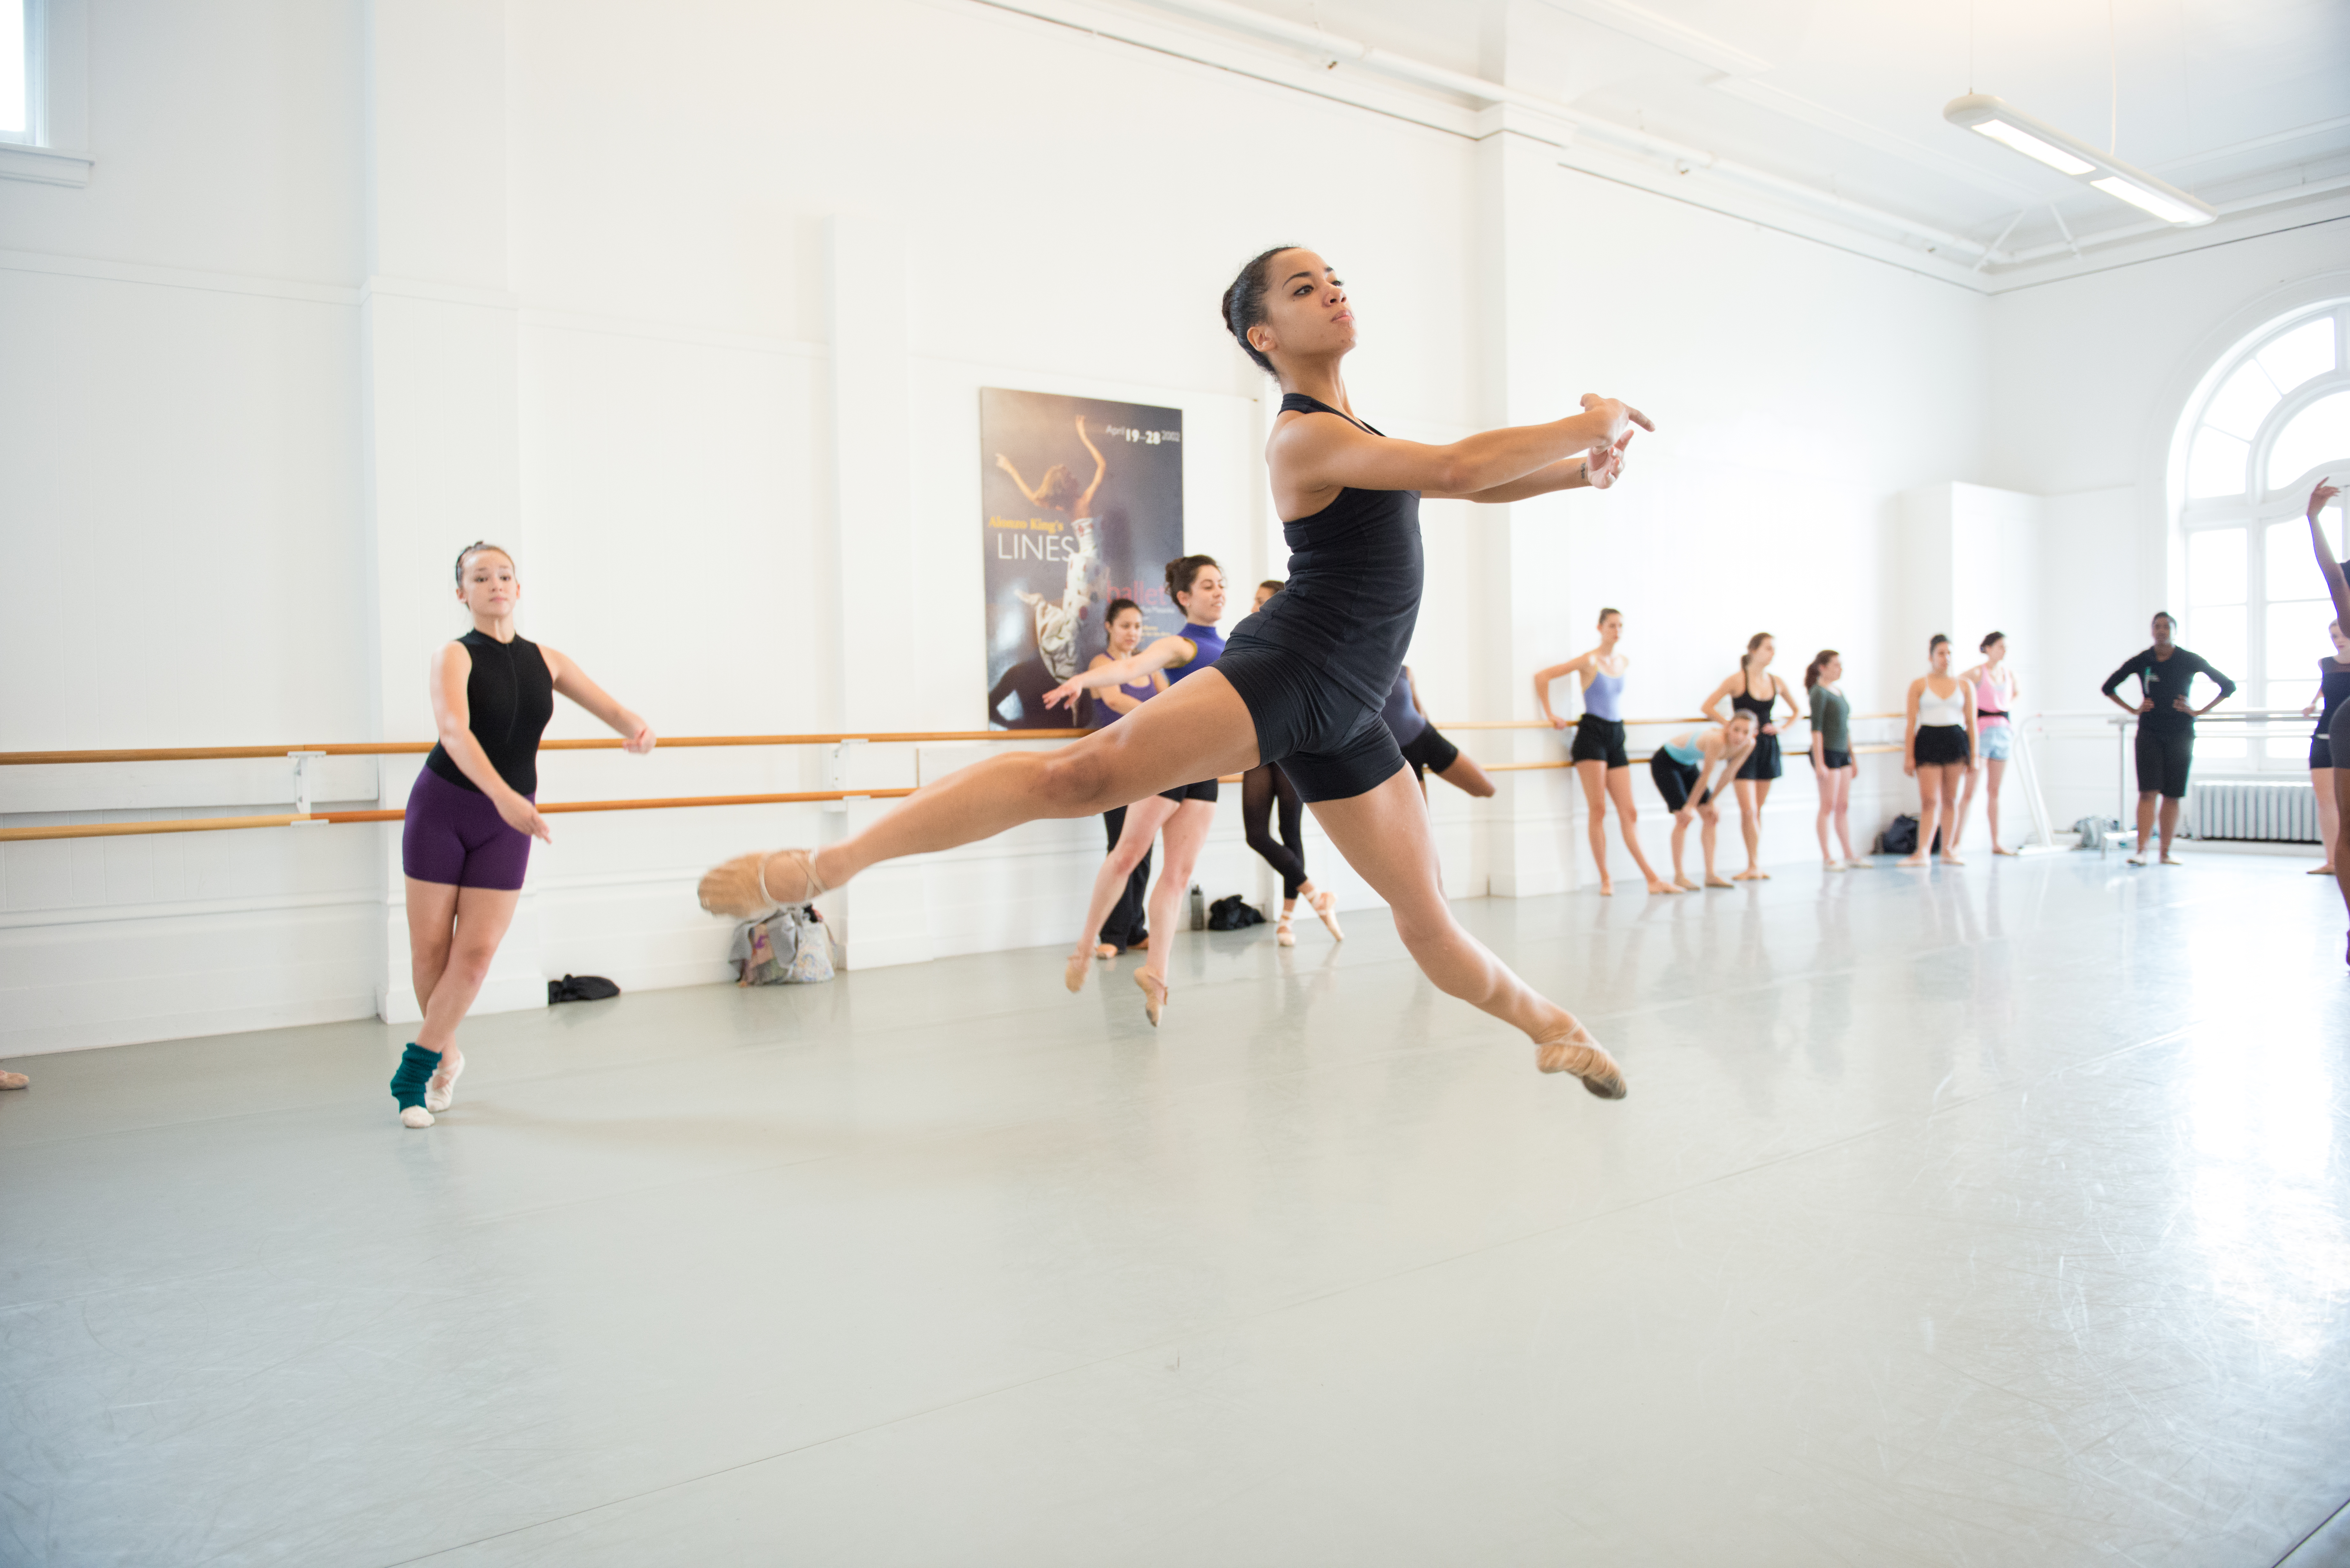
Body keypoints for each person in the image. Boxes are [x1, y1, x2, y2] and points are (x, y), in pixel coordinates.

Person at [699, 245, 1649, 1093]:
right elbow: (1452, 469)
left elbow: (1464, 477)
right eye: (1305, 287)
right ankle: (814, 866)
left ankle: (1554, 1029)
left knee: (1425, 915)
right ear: (1261, 332)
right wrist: (1586, 420)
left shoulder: (1362, 432)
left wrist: (1577, 470)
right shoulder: (1305, 433)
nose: (1334, 294)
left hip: (1356, 706)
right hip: (1292, 666)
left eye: (1336, 281)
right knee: (1077, 775)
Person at [392, 542, 654, 1129]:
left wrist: (636, 726)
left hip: (507, 820)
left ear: (519, 586)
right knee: (431, 952)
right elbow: (455, 735)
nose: (495, 583)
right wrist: (505, 797)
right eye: (479, 577)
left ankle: (413, 1068)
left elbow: (609, 708)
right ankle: (445, 1055)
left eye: (504, 574)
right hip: (443, 809)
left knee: (478, 952)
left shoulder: (548, 660)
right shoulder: (453, 657)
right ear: (462, 593)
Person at [1047, 556, 1237, 1011]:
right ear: (1184, 598)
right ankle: (1085, 947)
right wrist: (1083, 680)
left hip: (1205, 768)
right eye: (1207, 586)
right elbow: (1128, 670)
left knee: (1178, 875)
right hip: (1169, 762)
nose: (1219, 592)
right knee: (1129, 853)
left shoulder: (1234, 647)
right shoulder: (1181, 646)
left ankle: (1157, 973)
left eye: (1221, 585)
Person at [1534, 609, 1672, 895]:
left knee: (1630, 812)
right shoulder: (1589, 660)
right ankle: (1605, 879)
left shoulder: (1624, 661)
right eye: (1612, 625)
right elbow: (1544, 676)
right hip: (1591, 736)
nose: (1617, 631)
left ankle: (1652, 879)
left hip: (1616, 734)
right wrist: (1550, 713)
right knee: (1598, 810)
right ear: (1600, 628)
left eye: (1621, 626)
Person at [1237, 579, 1343, 948]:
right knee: (1256, 834)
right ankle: (1317, 896)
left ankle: (1286, 920)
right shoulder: (1248, 638)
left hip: (1289, 747)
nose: (1254, 606)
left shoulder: (1293, 642)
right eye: (1254, 599)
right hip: (1258, 746)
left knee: (1290, 831)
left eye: (1262, 601)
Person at [2099, 611, 2237, 866]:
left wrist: (2197, 711)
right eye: (2158, 627)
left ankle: (2165, 852)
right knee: (2148, 792)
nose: (2162, 631)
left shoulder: (2188, 659)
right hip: (2150, 732)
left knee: (2173, 794)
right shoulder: (2143, 660)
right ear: (2152, 631)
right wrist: (2133, 709)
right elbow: (2108, 686)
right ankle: (2142, 850)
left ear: (2175, 632)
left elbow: (2228, 686)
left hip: (2181, 732)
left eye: (2167, 627)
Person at [997, 415, 1109, 684]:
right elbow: (1102, 466)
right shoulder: (1078, 503)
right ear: (1064, 484)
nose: (1074, 477)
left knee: (1085, 616)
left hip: (1090, 564)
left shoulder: (1074, 504)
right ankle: (1070, 663)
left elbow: (1035, 497)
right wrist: (1083, 435)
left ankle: (1074, 664)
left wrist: (1011, 469)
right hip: (1088, 563)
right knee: (1081, 617)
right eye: (1069, 476)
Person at [1086, 597, 1165, 959]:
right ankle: (1112, 934)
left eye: (1137, 626)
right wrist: (1153, 714)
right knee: (1120, 847)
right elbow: (1115, 700)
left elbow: (1173, 702)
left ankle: (1135, 930)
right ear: (1109, 627)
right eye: (1125, 626)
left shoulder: (1152, 668)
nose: (1132, 633)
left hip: (1150, 767)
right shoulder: (1101, 665)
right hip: (1114, 766)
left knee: (1143, 848)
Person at [1699, 633, 1802, 880]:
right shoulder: (1737, 680)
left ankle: (1754, 864)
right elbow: (1707, 706)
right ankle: (1752, 865)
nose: (1772, 653)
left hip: (1767, 745)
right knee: (1749, 810)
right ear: (1754, 651)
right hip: (1743, 749)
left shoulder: (1778, 682)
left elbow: (1798, 711)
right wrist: (1732, 728)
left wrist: (1783, 728)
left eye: (1774, 649)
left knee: (1758, 810)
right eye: (1768, 649)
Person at [2297, 477, 2350, 959]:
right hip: (2348, 720)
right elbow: (2333, 574)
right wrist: (2313, 519)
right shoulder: (2347, 581)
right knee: (2347, 826)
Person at [1648, 712, 1759, 890]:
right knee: (1684, 818)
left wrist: (1711, 802)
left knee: (1711, 816)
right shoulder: (1717, 741)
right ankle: (1679, 876)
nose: (1739, 736)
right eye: (1736, 729)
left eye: (1746, 732)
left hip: (1688, 765)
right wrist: (1690, 807)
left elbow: (1729, 774)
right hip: (1666, 763)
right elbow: (1706, 775)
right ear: (1728, 727)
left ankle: (1711, 875)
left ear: (1754, 734)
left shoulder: (1749, 745)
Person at [1900, 634, 1974, 870]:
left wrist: (1975, 757)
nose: (1946, 658)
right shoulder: (1919, 685)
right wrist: (1909, 756)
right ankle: (1922, 851)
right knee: (1930, 800)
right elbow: (1911, 723)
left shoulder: (1965, 685)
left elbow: (1972, 722)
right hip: (1928, 741)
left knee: (1951, 799)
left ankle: (1948, 850)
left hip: (1955, 741)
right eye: (1941, 653)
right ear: (1931, 656)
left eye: (1949, 653)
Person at [1953, 632, 2022, 856]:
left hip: (2003, 733)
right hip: (1982, 734)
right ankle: (1955, 843)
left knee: (1995, 791)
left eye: (2007, 648)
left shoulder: (2009, 674)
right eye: (2001, 646)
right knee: (1969, 791)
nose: (2004, 651)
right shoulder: (1976, 673)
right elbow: (1956, 685)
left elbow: (2016, 694)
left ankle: (1996, 842)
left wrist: (2006, 705)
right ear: (1989, 648)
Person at [1383, 665, 1494, 798]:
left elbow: (1420, 711)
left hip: (1425, 740)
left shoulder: (1405, 671)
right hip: (1396, 755)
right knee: (1421, 819)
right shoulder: (1358, 673)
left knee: (1487, 788)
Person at [1803, 649, 1863, 870]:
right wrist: (1820, 763)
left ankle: (1849, 854)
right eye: (1836, 665)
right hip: (1826, 753)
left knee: (1842, 806)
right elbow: (1817, 729)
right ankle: (1827, 857)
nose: (1840, 669)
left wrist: (1853, 758)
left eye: (1841, 665)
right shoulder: (1818, 693)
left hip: (1842, 753)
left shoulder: (1839, 692)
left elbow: (1845, 728)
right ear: (1823, 668)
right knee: (1827, 806)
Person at [2300, 616, 2350, 878]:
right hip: (2324, 735)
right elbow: (2327, 687)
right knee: (2326, 801)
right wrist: (2312, 703)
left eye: (2342, 634)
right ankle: (2332, 861)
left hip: (2348, 738)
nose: (2338, 640)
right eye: (2334, 636)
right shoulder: (2327, 664)